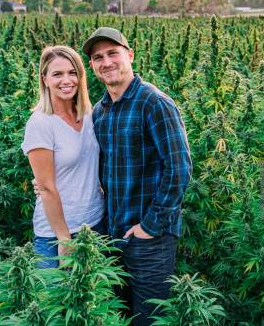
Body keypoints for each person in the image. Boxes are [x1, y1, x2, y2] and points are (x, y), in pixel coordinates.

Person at [82, 27, 192, 326]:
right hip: (112, 234)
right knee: (117, 315)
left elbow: (179, 169)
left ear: (129, 55)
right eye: (97, 57)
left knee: (151, 318)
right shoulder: (101, 112)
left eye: (112, 53)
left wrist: (151, 225)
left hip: (149, 239)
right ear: (92, 66)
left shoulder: (153, 102)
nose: (106, 62)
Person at [21, 45, 105, 269]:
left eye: (72, 72)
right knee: (54, 301)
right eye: (57, 74)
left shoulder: (90, 115)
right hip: (55, 235)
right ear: (44, 79)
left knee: (95, 301)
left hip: (95, 224)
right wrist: (63, 238)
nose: (66, 80)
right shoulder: (40, 124)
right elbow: (46, 187)